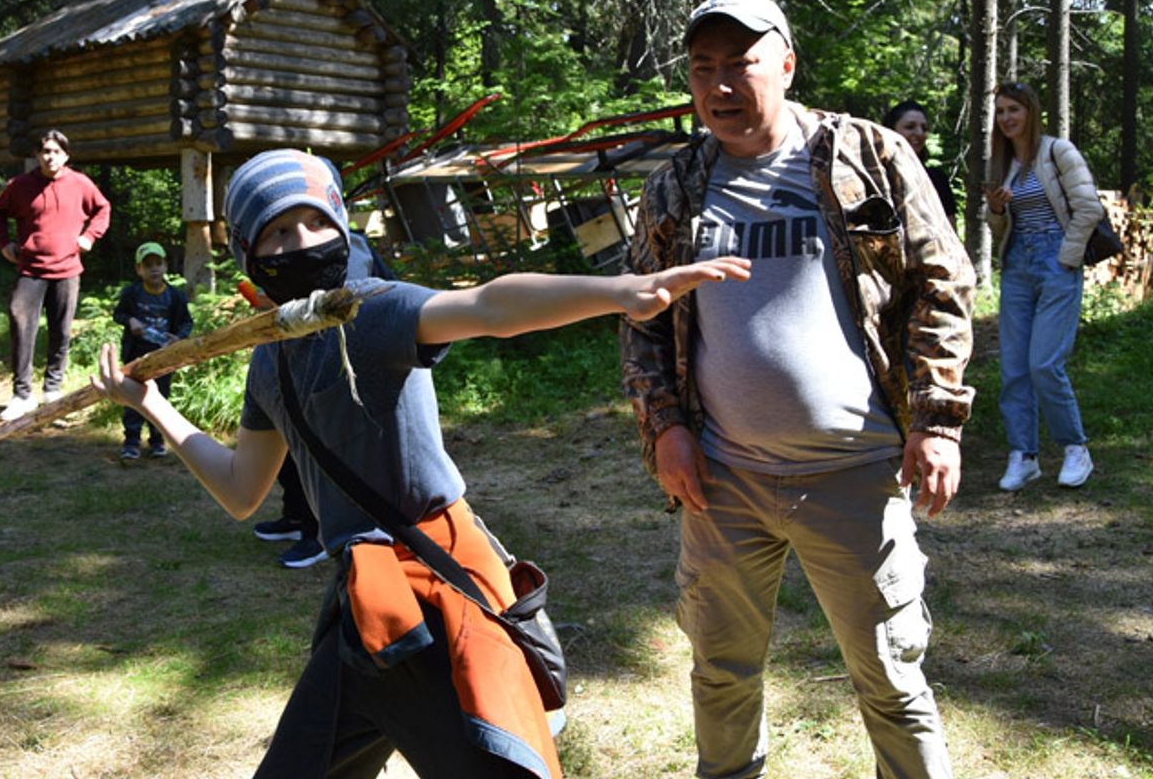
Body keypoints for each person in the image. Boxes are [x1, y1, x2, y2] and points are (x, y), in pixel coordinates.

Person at [93, 147, 750, 779]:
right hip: (364, 608)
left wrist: (621, 291)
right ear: (249, 254)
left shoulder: (375, 310)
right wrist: (151, 406)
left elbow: (490, 307)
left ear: (342, 227)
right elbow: (241, 490)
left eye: (315, 222)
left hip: (434, 603)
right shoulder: (271, 358)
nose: (300, 243)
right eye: (278, 232)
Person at [620, 0, 975, 779]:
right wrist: (665, 427)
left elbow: (942, 285)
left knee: (889, 677)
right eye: (702, 68)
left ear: (784, 62)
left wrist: (939, 420)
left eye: (740, 64)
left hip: (853, 469)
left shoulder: (866, 156)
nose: (720, 86)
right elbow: (642, 318)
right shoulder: (674, 188)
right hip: (725, 478)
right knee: (720, 671)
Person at [248, 230, 398, 569]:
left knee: (321, 451)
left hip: (343, 366)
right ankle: (296, 515)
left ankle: (317, 533)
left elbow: (389, 292)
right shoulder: (278, 246)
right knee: (287, 445)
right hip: (289, 356)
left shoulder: (353, 243)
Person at [985, 81, 1104, 492]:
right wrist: (997, 210)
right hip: (1017, 266)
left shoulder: (1058, 152)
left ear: (1031, 112)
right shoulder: (1003, 164)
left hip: (1056, 265)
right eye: (1000, 112)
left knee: (1044, 364)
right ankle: (1024, 455)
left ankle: (1075, 448)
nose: (1006, 119)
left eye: (1013, 110)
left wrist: (1066, 258)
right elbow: (999, 226)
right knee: (1014, 368)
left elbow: (1089, 207)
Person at [0, 130, 111, 421]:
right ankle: (22, 395)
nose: (50, 157)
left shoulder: (80, 183)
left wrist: (90, 237)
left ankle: (53, 389)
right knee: (21, 324)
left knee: (62, 329)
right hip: (30, 269)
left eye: (56, 151)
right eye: (45, 151)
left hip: (67, 269)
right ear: (36, 155)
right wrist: (4, 243)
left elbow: (102, 208)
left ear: (66, 155)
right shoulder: (20, 186)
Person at [113, 241, 192, 460]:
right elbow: (118, 314)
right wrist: (131, 321)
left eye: (158, 264)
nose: (154, 269)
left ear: (166, 266)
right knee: (132, 398)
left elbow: (186, 322)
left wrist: (179, 338)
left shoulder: (175, 296)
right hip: (135, 355)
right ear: (139, 269)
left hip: (164, 356)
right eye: (148, 265)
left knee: (161, 398)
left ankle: (157, 440)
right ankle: (131, 441)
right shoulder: (132, 293)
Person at [883, 100, 959, 225]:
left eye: (924, 128)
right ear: (891, 130)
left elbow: (950, 229)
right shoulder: (875, 176)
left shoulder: (936, 179)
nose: (919, 133)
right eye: (910, 127)